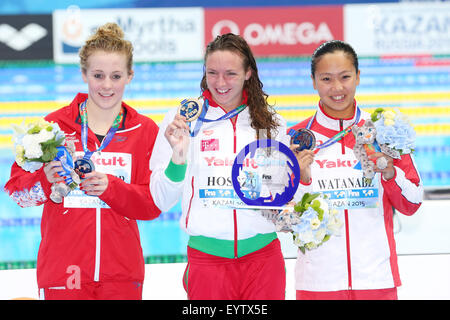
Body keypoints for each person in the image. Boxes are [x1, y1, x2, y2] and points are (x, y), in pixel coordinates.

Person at [4, 23, 161, 300]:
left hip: (122, 273)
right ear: (84, 74)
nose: (107, 85)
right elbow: (18, 193)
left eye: (116, 76)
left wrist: (111, 188)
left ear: (130, 76)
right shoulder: (53, 127)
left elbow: (153, 205)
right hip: (63, 270)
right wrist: (45, 180)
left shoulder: (145, 131)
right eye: (98, 75)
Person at [150, 33, 306, 300]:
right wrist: (178, 159)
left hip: (263, 259)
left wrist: (299, 180)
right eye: (212, 73)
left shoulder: (272, 124)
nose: (220, 83)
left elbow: (285, 198)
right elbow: (161, 200)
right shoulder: (181, 122)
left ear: (248, 73)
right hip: (207, 260)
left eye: (230, 74)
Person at [289, 40, 423, 300]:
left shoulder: (385, 132)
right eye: (326, 78)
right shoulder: (295, 139)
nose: (337, 88)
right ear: (313, 81)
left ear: (358, 77)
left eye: (345, 77)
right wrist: (302, 182)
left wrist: (390, 174)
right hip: (318, 284)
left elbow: (412, 203)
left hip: (376, 280)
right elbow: (281, 215)